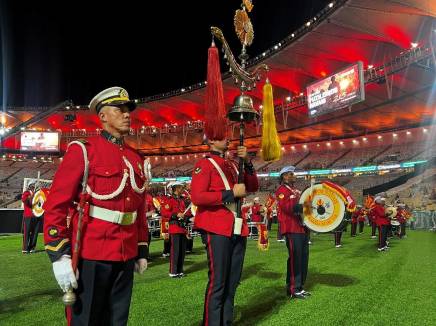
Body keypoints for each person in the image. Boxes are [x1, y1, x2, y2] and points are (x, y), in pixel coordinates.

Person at [43, 87, 149, 325]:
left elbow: (139, 208)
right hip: (92, 253)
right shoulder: (83, 151)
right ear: (102, 116)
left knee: (117, 320)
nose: (126, 114)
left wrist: (141, 248)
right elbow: (56, 204)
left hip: (126, 254)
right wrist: (59, 254)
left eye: (128, 110)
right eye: (119, 109)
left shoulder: (136, 158)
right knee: (87, 319)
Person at [191, 139, 259, 326]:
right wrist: (229, 194)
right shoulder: (204, 164)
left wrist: (248, 163)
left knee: (232, 281)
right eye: (222, 136)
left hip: (237, 227)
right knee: (218, 282)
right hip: (216, 227)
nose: (228, 139)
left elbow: (252, 187)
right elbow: (197, 196)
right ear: (211, 140)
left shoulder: (233, 165)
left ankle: (226, 321)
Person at [275, 166, 310, 299]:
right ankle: (293, 289)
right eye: (291, 174)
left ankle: (300, 287)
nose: (294, 175)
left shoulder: (295, 190)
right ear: (285, 176)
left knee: (303, 258)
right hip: (291, 228)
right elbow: (287, 208)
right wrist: (305, 205)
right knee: (295, 258)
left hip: (301, 228)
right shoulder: (281, 190)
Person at [161, 181, 188, 277]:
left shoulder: (181, 200)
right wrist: (176, 215)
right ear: (176, 188)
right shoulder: (169, 200)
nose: (183, 189)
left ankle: (180, 270)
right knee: (175, 251)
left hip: (182, 228)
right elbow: (164, 212)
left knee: (182, 251)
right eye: (181, 187)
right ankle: (173, 272)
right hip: (174, 227)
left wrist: (186, 217)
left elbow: (185, 213)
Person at [21, 183, 40, 253]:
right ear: (30, 186)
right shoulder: (26, 193)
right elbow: (24, 200)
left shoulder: (38, 194)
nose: (34, 187)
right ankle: (25, 248)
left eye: (34, 185)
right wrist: (31, 196)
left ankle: (32, 248)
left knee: (35, 233)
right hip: (28, 216)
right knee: (27, 232)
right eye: (33, 185)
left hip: (37, 215)